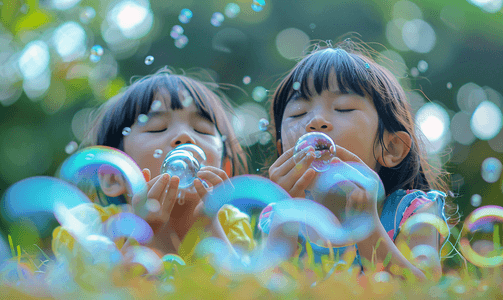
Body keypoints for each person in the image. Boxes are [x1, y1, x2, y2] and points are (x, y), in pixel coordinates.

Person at [263, 40, 458, 281]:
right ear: (283, 149)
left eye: (343, 108)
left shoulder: (413, 212)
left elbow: (422, 291)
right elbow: (260, 288)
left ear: (391, 147)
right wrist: (287, 214)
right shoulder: (275, 217)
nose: (315, 121)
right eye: (298, 113)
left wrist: (367, 223)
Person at [53, 67, 255, 259]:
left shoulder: (229, 223)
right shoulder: (90, 226)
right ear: (114, 175)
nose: (184, 136)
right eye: (157, 128)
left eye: (202, 129)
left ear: (225, 169)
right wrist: (146, 231)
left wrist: (210, 225)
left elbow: (239, 287)